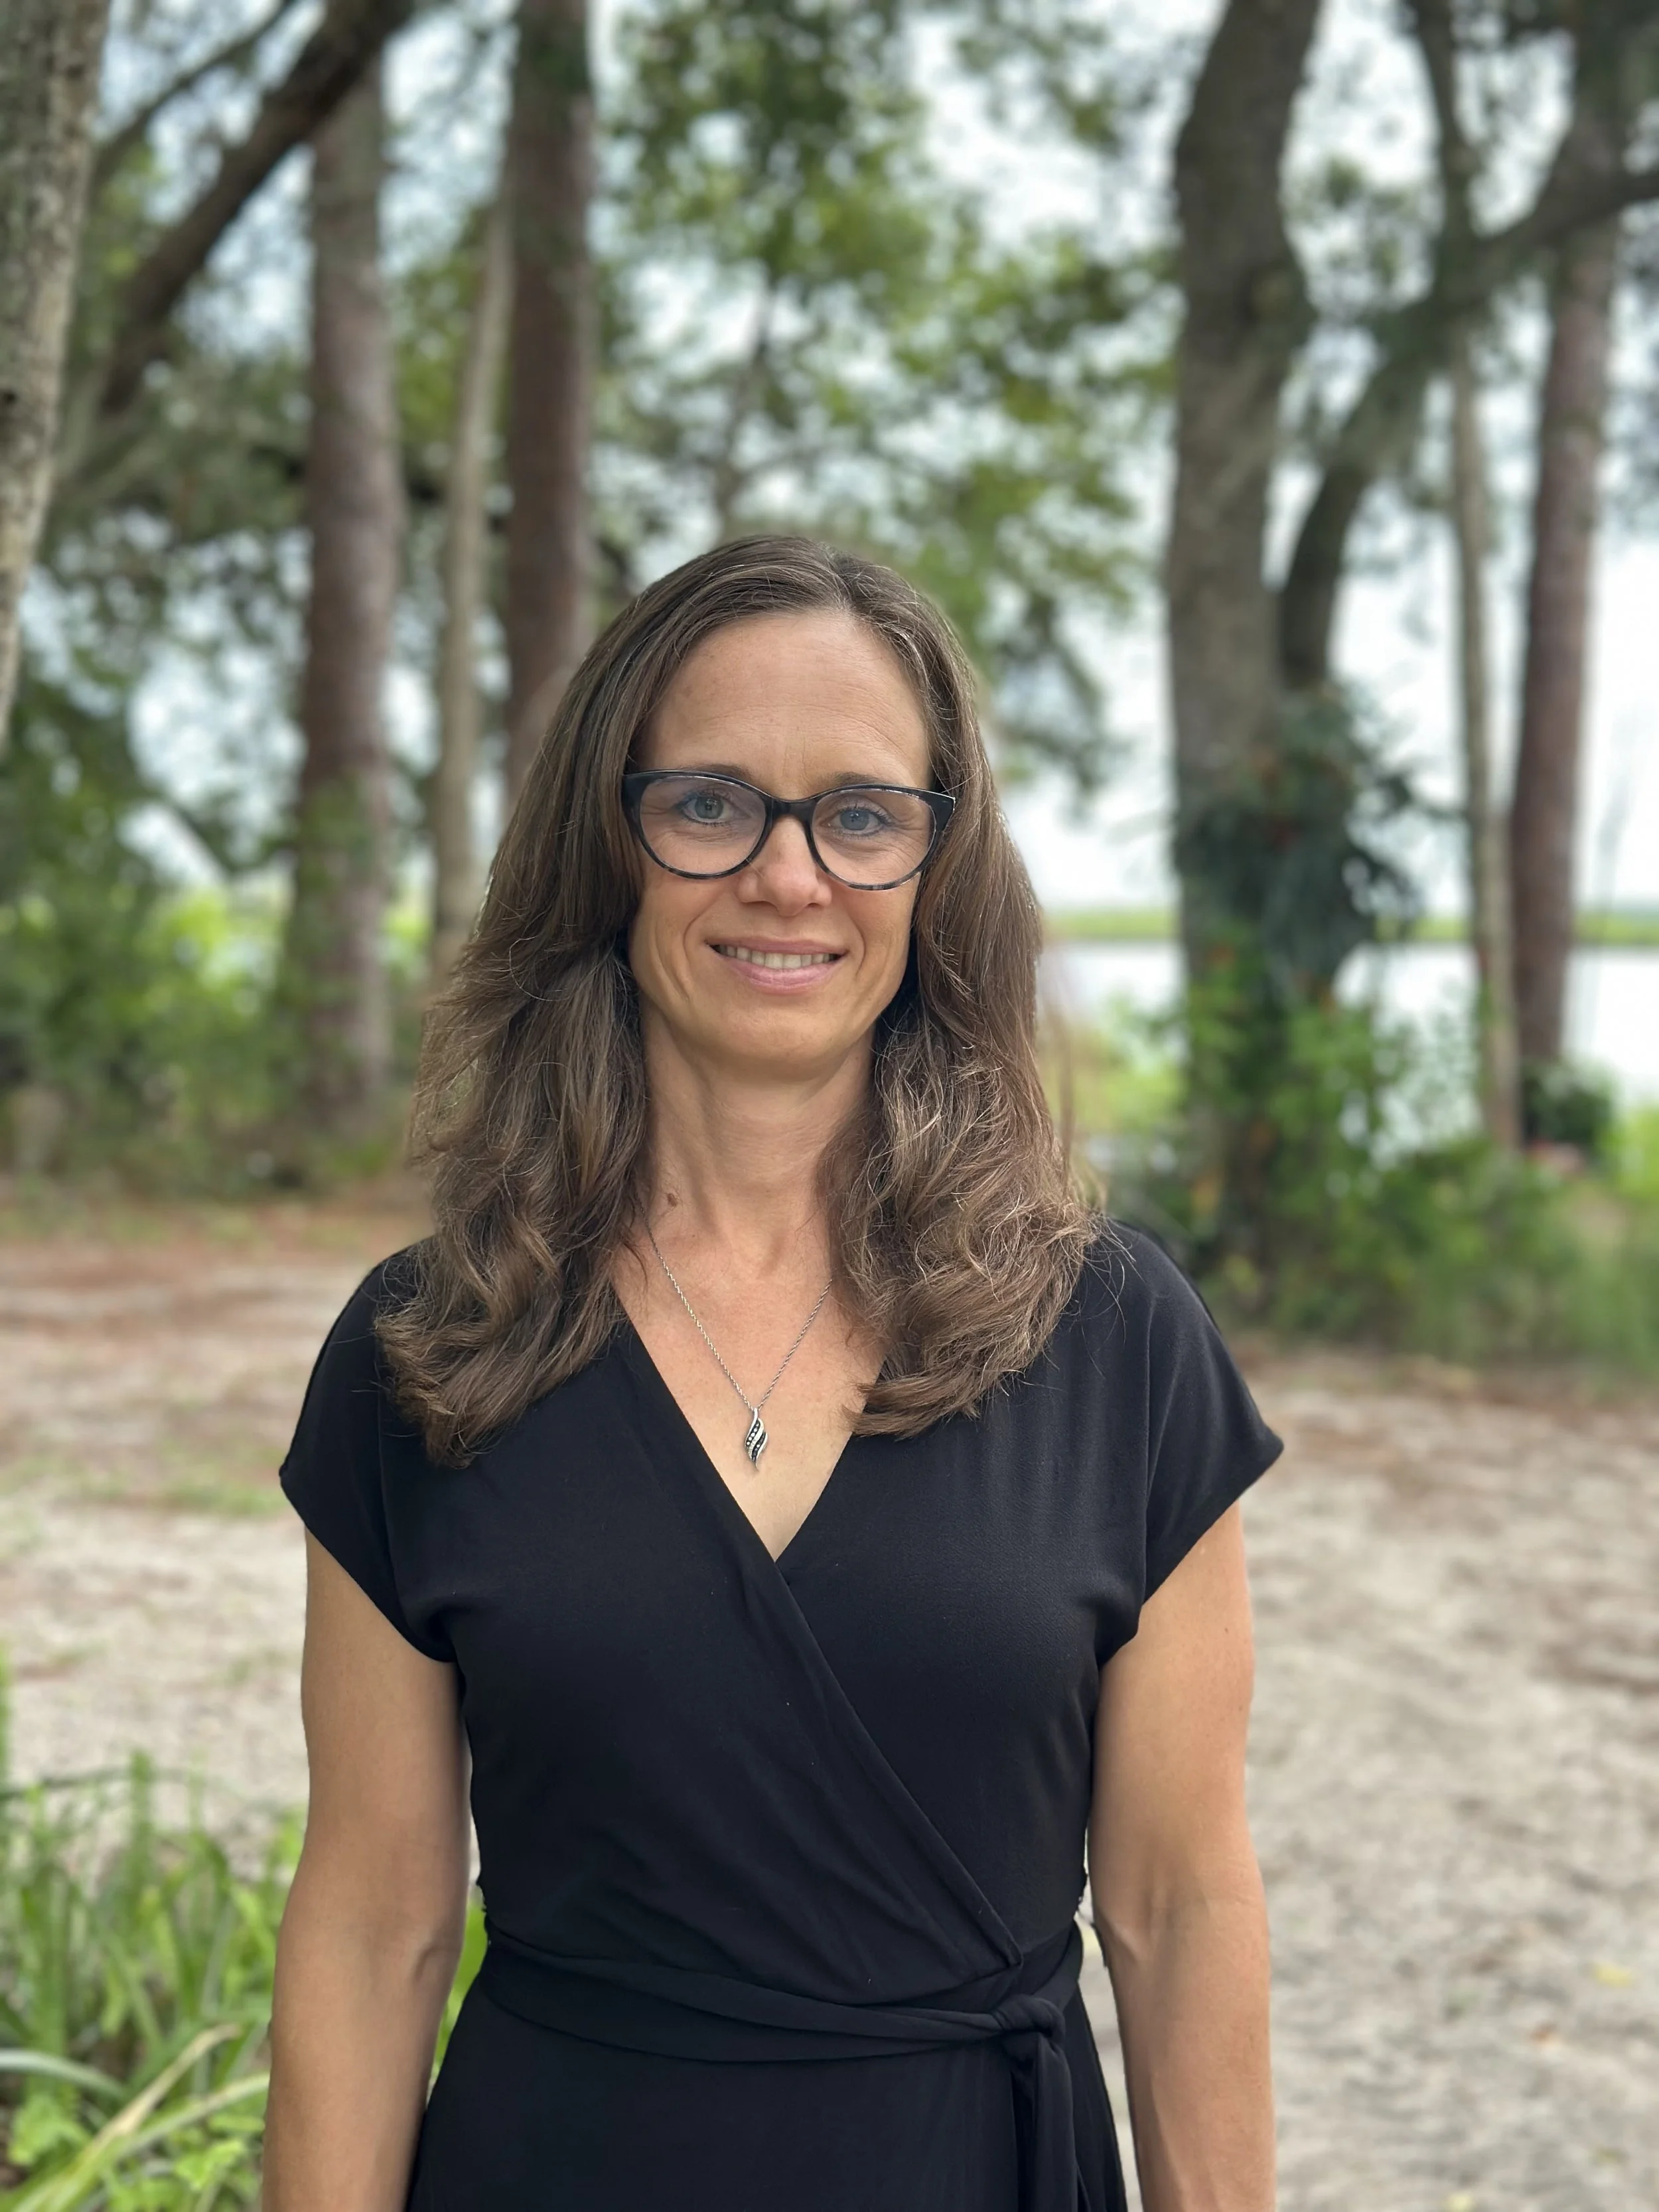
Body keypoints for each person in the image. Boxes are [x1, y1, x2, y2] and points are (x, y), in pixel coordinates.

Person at [263, 536, 1280, 2212]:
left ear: (935, 873)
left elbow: (1179, 1906)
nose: (787, 876)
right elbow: (374, 1923)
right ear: (612, 843)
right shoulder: (425, 1350)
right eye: (711, 802)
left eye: (860, 815)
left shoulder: (1113, 1338)